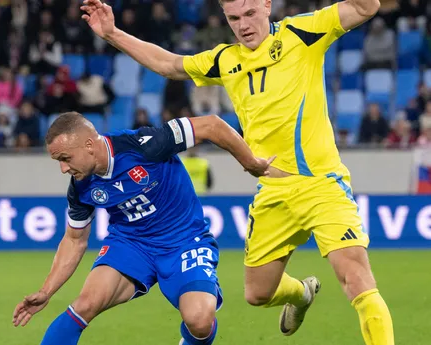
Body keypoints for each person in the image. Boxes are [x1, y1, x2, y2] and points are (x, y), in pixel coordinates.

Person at [79, 0, 395, 344]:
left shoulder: (303, 32)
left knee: (356, 279)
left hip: (321, 184)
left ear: (267, 7)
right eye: (233, 18)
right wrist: (112, 34)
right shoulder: (225, 59)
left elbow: (366, 8)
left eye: (249, 14)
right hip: (273, 190)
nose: (243, 25)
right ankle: (302, 295)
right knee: (257, 294)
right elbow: (169, 64)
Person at [12, 112, 273, 345]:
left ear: (89, 144)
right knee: (85, 304)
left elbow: (212, 125)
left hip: (184, 241)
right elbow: (74, 240)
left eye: (65, 158)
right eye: (58, 161)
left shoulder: (144, 145)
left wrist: (249, 162)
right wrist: (46, 291)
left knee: (200, 321)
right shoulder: (80, 187)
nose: (63, 168)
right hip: (131, 245)